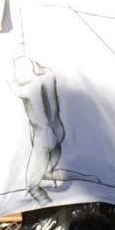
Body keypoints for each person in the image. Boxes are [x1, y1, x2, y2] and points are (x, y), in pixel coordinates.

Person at [9, 51, 100, 205]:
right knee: (48, 173)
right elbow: (41, 70)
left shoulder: (26, 90)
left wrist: (9, 77)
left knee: (31, 185)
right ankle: (88, 179)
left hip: (44, 137)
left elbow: (15, 88)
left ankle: (45, 202)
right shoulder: (48, 76)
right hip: (58, 131)